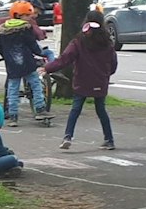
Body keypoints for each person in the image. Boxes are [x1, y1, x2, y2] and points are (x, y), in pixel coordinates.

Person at [42, 22, 117, 150]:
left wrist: (48, 68)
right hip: (100, 81)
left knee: (75, 109)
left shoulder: (78, 43)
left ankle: (68, 137)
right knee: (101, 110)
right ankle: (109, 140)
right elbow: (113, 65)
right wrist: (105, 75)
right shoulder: (107, 44)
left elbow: (64, 59)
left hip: (82, 80)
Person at [0, 1, 49, 127]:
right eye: (27, 15)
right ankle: (40, 109)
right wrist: (40, 53)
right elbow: (32, 44)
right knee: (36, 85)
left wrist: (6, 55)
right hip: (28, 64)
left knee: (12, 90)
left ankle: (13, 116)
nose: (30, 17)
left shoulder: (4, 31)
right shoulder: (26, 29)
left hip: (12, 66)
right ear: (18, 15)